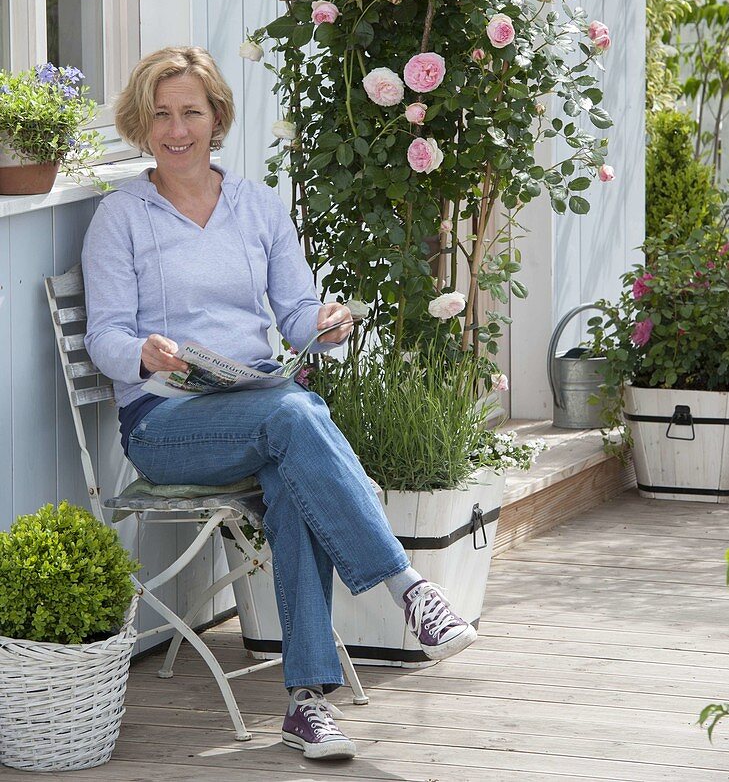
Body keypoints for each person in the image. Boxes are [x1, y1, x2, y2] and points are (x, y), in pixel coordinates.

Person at [82, 46, 477, 761]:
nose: (177, 129)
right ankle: (408, 587)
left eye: (191, 112)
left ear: (217, 118)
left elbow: (295, 312)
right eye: (161, 114)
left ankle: (307, 705)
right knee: (297, 416)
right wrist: (142, 353)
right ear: (142, 124)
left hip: (256, 405)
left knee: (292, 462)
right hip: (164, 424)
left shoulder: (255, 206)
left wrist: (322, 325)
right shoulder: (122, 217)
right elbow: (106, 334)